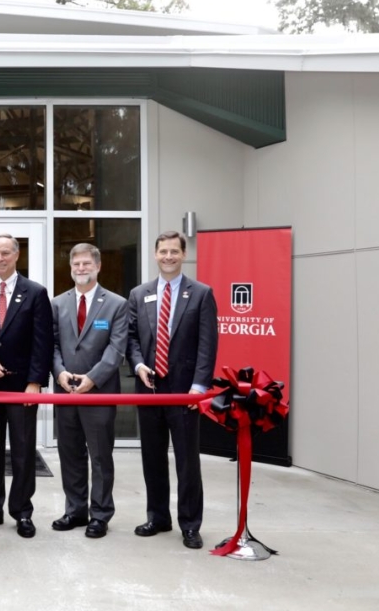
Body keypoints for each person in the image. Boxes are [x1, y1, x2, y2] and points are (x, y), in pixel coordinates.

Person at [126, 230, 218, 549]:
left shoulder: (202, 294)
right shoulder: (139, 293)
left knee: (187, 461)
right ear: (155, 255)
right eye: (163, 251)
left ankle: (190, 524)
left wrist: (198, 388)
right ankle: (158, 517)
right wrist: (138, 366)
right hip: (149, 389)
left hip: (184, 394)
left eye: (174, 251)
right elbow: (132, 340)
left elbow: (207, 346)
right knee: (152, 458)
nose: (168, 256)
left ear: (183, 254)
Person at [0, 234, 53, 539]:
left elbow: (43, 342)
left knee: (23, 451)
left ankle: (22, 511)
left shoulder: (35, 292)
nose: (0, 258)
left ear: (16, 256)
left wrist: (35, 382)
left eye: (5, 253)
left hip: (21, 388)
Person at [50, 243, 128, 539]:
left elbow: (116, 348)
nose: (81, 269)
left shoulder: (116, 304)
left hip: (100, 392)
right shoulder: (57, 303)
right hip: (65, 391)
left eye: (86, 264)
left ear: (98, 266)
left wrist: (92, 379)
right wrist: (59, 373)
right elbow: (52, 345)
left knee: (99, 456)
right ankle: (75, 510)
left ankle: (100, 514)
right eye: (76, 264)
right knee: (70, 454)